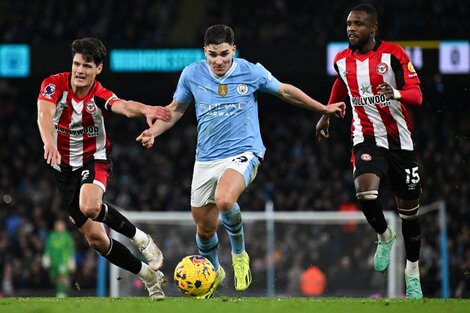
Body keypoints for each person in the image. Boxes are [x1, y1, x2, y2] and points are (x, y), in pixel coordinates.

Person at [137, 24, 346, 299]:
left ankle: (239, 254)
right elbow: (175, 111)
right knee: (204, 226)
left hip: (244, 152)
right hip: (205, 159)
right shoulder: (192, 74)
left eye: (224, 54)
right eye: (213, 55)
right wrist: (154, 131)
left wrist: (322, 108)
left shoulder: (251, 71)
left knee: (225, 199)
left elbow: (284, 91)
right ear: (205, 52)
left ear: (233, 50)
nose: (219, 61)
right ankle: (213, 272)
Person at [37, 37, 171, 299]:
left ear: (98, 68)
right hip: (63, 170)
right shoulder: (54, 84)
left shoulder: (98, 94)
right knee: (97, 241)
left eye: (87, 65)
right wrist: (48, 141)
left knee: (90, 206)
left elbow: (123, 106)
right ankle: (148, 276)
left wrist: (145, 109)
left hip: (93, 160)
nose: (79, 70)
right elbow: (44, 113)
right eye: (76, 63)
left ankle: (140, 238)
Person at [315, 4, 423, 299]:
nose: (351, 29)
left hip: (401, 144)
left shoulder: (394, 55)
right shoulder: (341, 60)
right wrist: (326, 112)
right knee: (365, 192)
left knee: (410, 216)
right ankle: (385, 236)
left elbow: (418, 94)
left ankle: (412, 271)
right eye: (349, 24)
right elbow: (342, 83)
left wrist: (396, 93)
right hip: (366, 138)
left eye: (358, 24)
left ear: (372, 28)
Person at [42, 219, 75, 297]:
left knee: (62, 276)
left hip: (63, 260)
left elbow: (70, 248)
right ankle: (62, 289)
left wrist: (71, 260)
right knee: (53, 278)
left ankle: (61, 293)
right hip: (54, 261)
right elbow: (48, 247)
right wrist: (46, 257)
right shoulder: (52, 236)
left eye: (61, 225)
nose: (60, 227)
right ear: (55, 227)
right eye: (58, 225)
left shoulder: (67, 236)